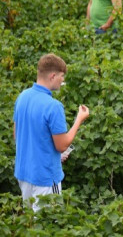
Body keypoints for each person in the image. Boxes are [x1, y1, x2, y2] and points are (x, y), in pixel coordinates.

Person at [13, 54, 90, 211]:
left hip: (24, 173)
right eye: (62, 76)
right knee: (48, 225)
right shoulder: (53, 106)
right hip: (45, 177)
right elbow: (62, 145)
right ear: (53, 75)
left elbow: (17, 136)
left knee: (30, 224)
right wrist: (79, 120)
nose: (62, 80)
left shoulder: (22, 97)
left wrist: (52, 155)